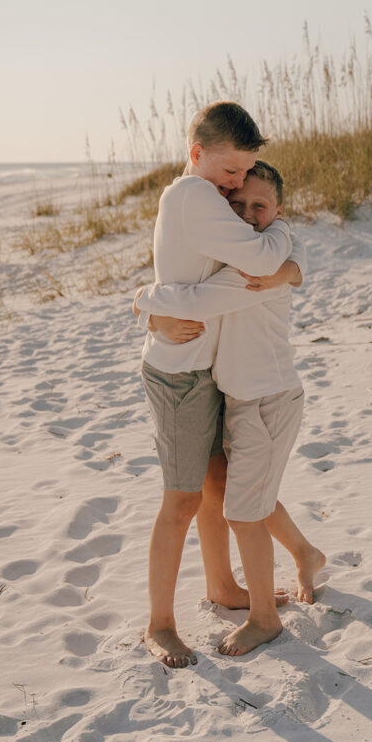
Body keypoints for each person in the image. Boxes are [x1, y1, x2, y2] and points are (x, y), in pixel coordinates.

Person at [137, 101, 304, 669]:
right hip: (180, 373)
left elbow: (226, 272)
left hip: (204, 368)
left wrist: (151, 301)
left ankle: (222, 585)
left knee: (214, 485)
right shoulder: (193, 195)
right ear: (197, 153)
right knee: (181, 500)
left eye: (245, 172)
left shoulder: (206, 197)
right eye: (231, 170)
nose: (236, 184)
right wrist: (284, 253)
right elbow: (254, 265)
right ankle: (160, 624)